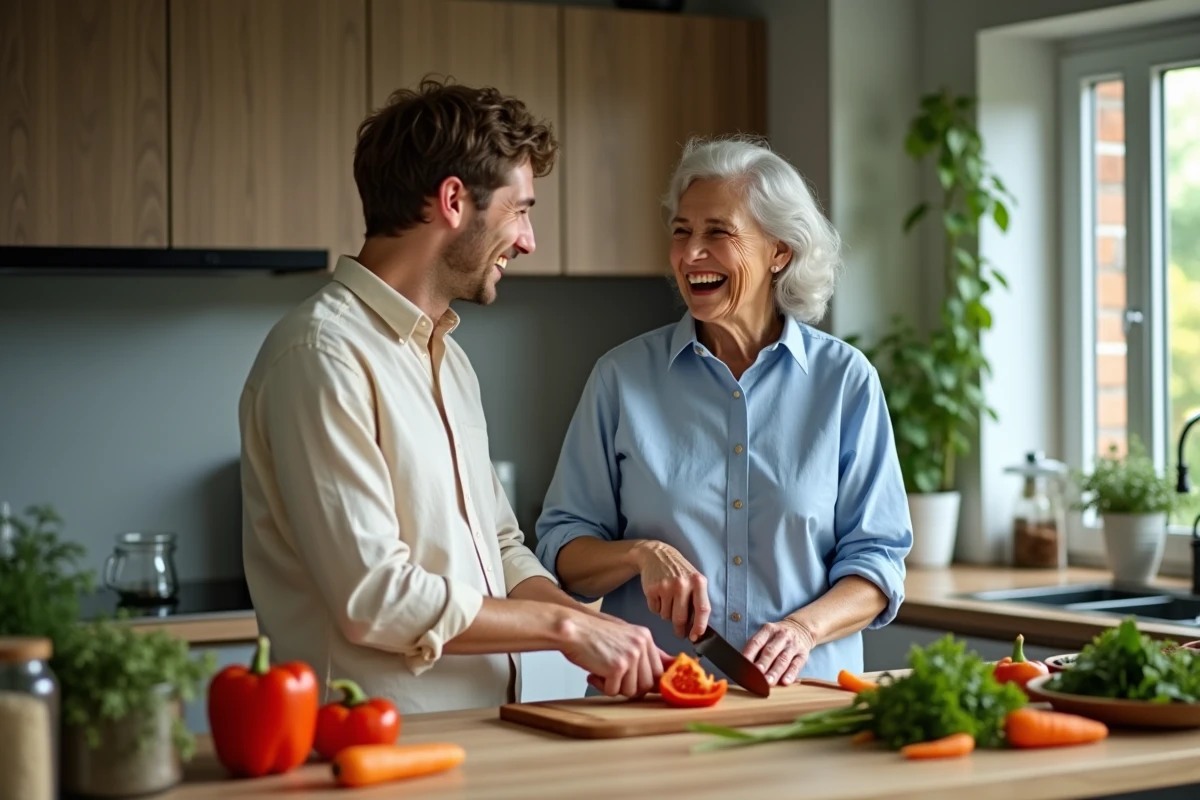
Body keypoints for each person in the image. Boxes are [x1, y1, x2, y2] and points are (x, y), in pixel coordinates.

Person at [239, 78, 665, 714]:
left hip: (478, 736)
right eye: (520, 210)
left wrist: (590, 626)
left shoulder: (449, 359)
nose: (527, 241)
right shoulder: (322, 355)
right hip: (371, 748)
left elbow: (499, 545)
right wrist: (568, 629)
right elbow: (373, 597)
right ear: (454, 201)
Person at [535, 134, 913, 688]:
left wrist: (804, 630)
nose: (690, 254)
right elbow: (562, 547)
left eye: (718, 233)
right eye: (681, 232)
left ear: (779, 251)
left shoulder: (845, 382)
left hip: (804, 705)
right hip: (653, 699)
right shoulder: (621, 378)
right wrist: (641, 554)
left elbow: (878, 561)